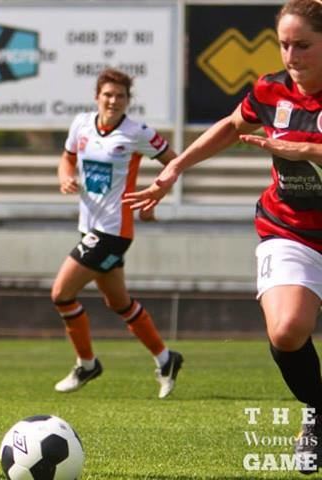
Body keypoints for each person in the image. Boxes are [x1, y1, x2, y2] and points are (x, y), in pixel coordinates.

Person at [124, 0, 322, 471]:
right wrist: (174, 166)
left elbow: (298, 148)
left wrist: (302, 148)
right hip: (290, 226)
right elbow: (234, 126)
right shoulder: (272, 90)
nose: (291, 55)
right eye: (284, 44)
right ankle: (317, 411)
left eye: (304, 45)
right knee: (287, 330)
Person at [51, 68, 183, 399]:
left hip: (113, 231)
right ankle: (166, 360)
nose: (113, 101)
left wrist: (154, 195)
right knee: (119, 303)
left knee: (61, 294)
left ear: (127, 101)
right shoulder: (81, 124)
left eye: (120, 96)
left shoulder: (137, 132)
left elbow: (173, 162)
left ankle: (87, 364)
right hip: (89, 227)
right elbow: (66, 160)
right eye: (108, 95)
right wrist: (65, 177)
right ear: (97, 97)